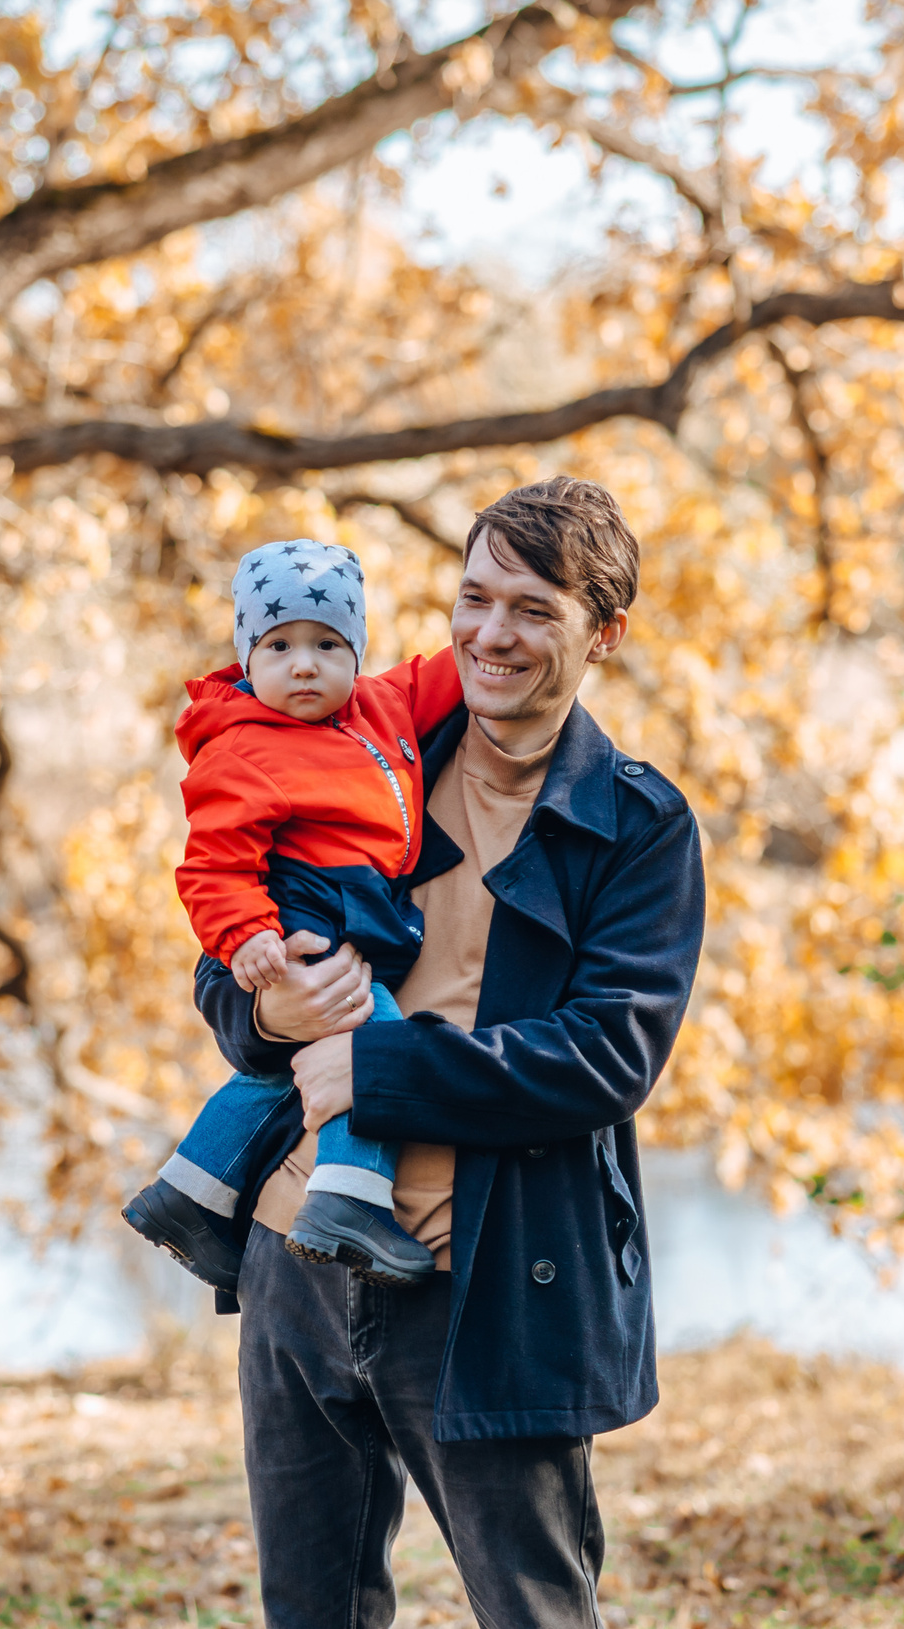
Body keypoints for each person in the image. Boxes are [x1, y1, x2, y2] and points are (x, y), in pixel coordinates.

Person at [194, 478, 705, 1629]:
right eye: (473, 598)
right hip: (297, 1263)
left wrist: (374, 1071)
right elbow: (222, 966)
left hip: (487, 1286)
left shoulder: (637, 824)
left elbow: (604, 1056)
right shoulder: (364, 743)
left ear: (603, 632)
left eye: (532, 609)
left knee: (534, 1612)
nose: (489, 633)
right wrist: (274, 1015)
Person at [123, 539, 463, 1289]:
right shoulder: (243, 746)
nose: (303, 664)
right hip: (302, 916)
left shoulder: (385, 704)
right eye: (278, 645)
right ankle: (350, 1198)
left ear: (357, 650)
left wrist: (500, 635)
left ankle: (193, 1193)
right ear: (247, 654)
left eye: (327, 643)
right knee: (372, 1040)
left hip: (355, 905)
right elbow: (212, 862)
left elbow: (457, 667)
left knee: (282, 1071)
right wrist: (246, 935)